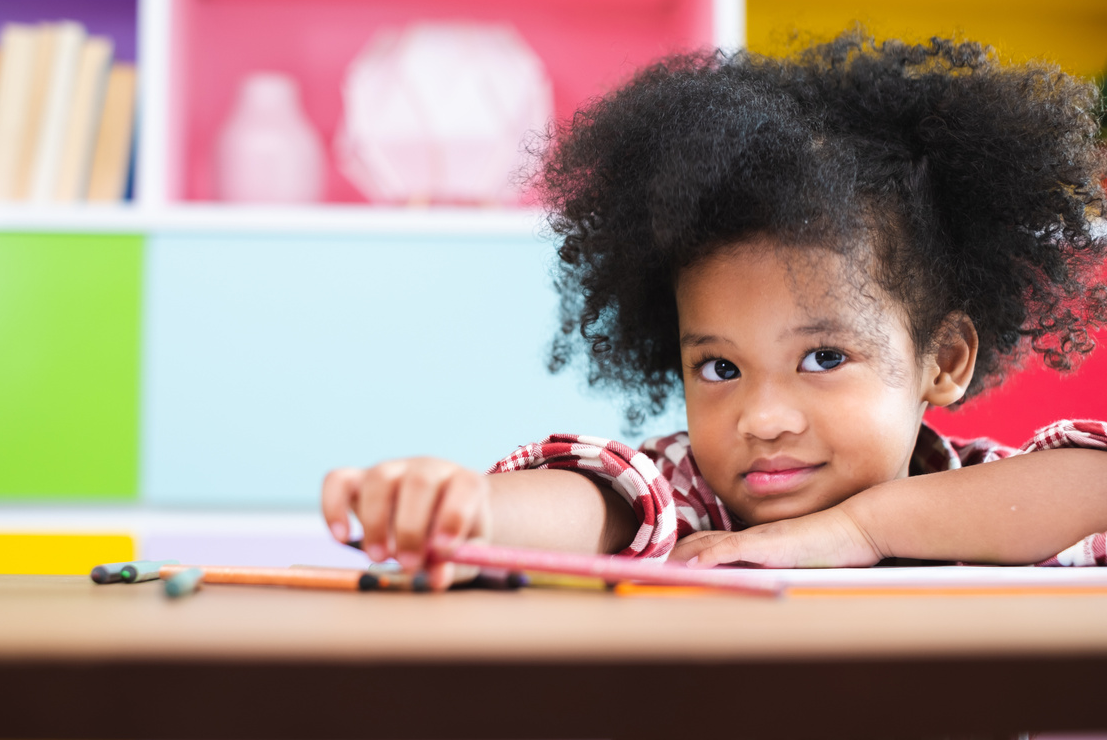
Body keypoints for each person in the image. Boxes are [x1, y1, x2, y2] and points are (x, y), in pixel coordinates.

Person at [322, 30, 1107, 589]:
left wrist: (859, 530)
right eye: (720, 367)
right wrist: (472, 510)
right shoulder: (696, 503)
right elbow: (601, 499)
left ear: (945, 361)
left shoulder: (985, 497)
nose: (762, 419)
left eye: (823, 358)